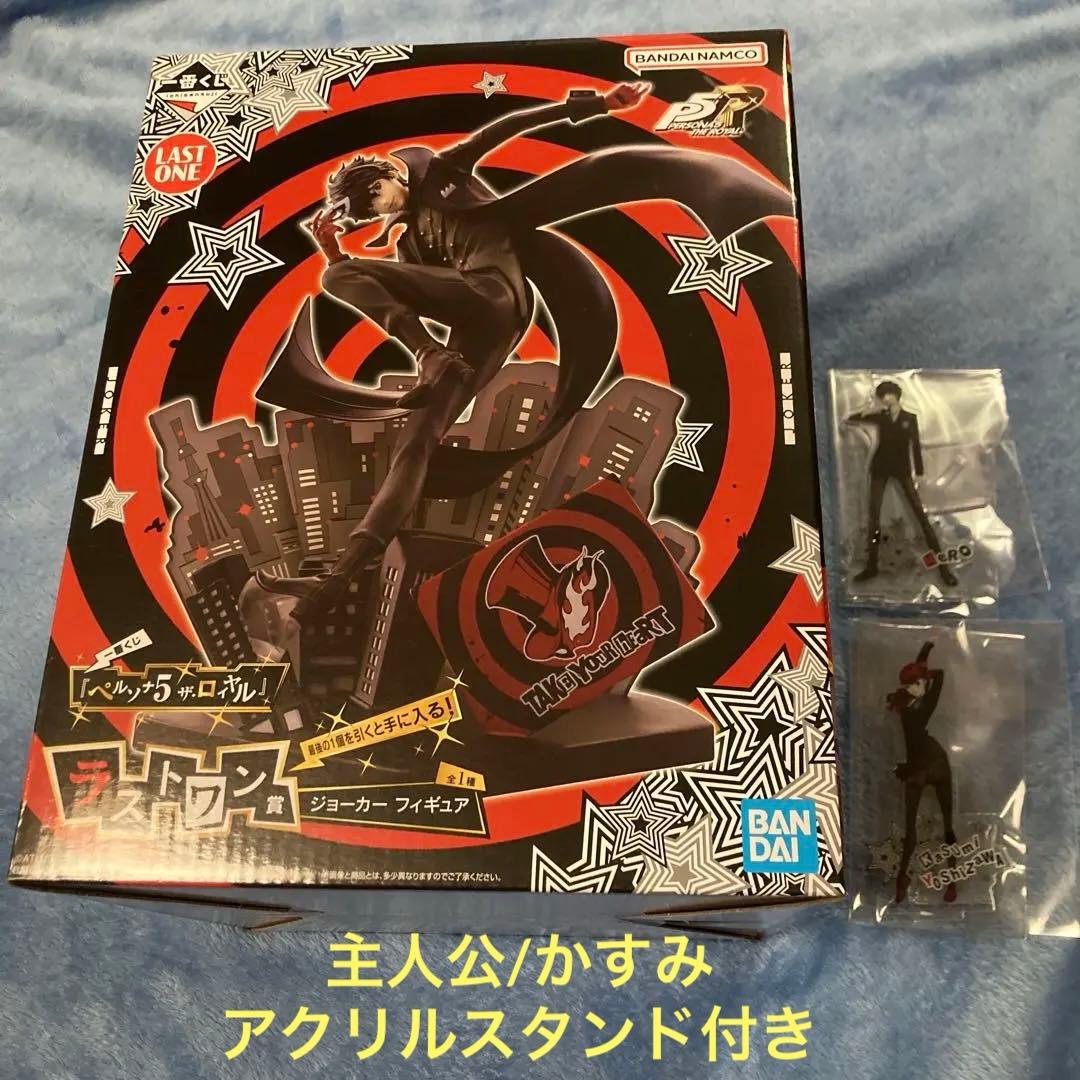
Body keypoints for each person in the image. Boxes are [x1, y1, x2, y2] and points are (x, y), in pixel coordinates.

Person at [255, 80, 792, 623]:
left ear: (388, 178)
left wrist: (597, 104)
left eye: (373, 199)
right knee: (414, 442)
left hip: (495, 296)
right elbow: (408, 295)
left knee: (342, 275)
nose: (376, 212)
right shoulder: (410, 244)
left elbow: (506, 127)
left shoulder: (441, 172)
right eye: (366, 214)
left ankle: (429, 357)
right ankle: (340, 575)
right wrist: (332, 250)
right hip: (475, 337)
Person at [845, 380, 958, 588]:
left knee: (921, 516)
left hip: (903, 469)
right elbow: (851, 419)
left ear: (896, 395)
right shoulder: (880, 416)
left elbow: (915, 446)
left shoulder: (909, 418)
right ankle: (871, 565)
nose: (885, 399)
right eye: (882, 396)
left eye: (887, 395)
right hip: (879, 469)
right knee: (873, 518)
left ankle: (944, 569)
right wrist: (868, 410)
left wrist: (920, 472)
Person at [885, 641, 958, 904]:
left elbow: (928, 677)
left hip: (925, 763)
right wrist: (927, 668)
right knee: (937, 826)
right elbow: (938, 678)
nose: (919, 686)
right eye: (916, 683)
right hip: (928, 763)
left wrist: (924, 656)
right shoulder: (918, 706)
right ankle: (939, 881)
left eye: (918, 683)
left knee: (934, 826)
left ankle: (914, 880)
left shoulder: (904, 705)